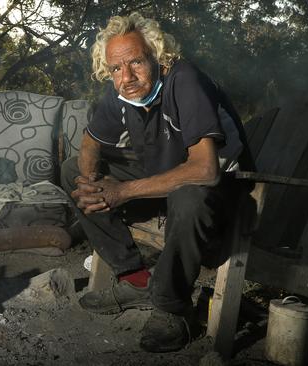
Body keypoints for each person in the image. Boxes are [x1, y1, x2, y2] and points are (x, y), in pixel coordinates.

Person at [60, 13, 254, 353]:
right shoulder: (125, 92)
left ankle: (172, 307)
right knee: (70, 168)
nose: (126, 77)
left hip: (222, 195)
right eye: (116, 68)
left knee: (189, 196)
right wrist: (91, 182)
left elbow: (206, 170)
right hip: (168, 182)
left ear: (158, 56)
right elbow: (91, 141)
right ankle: (136, 280)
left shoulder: (185, 80)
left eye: (136, 62)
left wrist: (120, 191)